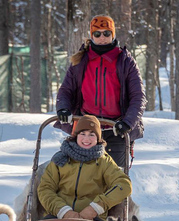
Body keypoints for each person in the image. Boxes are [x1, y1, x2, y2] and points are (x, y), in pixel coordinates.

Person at [55, 15, 146, 171]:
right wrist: (63, 108)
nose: (102, 37)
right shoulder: (81, 61)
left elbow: (138, 97)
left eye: (106, 33)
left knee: (113, 176)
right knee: (81, 174)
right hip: (86, 128)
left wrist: (128, 123)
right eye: (97, 34)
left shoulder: (125, 61)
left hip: (116, 129)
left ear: (113, 34)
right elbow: (66, 90)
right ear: (91, 36)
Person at [38, 115, 131, 221]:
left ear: (98, 138)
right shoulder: (61, 158)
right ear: (76, 136)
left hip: (94, 219)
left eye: (92, 135)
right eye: (82, 134)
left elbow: (124, 184)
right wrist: (63, 211)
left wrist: (96, 207)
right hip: (59, 216)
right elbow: (45, 189)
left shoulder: (104, 161)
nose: (86, 139)